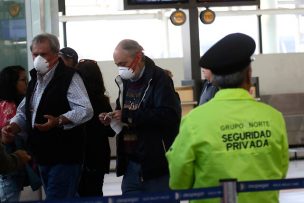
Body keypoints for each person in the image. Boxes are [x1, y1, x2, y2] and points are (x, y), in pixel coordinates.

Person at [166, 33, 289, 203]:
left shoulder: (195, 120)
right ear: (249, 74)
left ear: (214, 79)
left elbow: (179, 181)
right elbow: (281, 170)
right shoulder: (273, 117)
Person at [1, 33, 93, 200]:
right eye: (35, 54)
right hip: (42, 155)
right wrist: (13, 127)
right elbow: (24, 111)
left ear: (56, 54)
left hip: (65, 155)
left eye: (43, 54)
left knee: (57, 197)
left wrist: (59, 120)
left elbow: (85, 109)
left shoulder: (69, 77)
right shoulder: (35, 80)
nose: (38, 58)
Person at [99, 39, 181, 196]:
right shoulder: (125, 82)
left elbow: (169, 115)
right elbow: (121, 110)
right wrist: (112, 117)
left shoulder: (159, 80)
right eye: (117, 64)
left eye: (123, 63)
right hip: (131, 163)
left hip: (156, 163)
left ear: (138, 57)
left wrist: (128, 116)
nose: (121, 68)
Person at [75, 59, 115, 197]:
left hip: (79, 155)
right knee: (95, 192)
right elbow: (111, 131)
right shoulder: (102, 101)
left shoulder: (74, 101)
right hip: (99, 155)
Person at [0, 65, 36, 202]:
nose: (27, 84)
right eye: (22, 80)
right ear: (11, 83)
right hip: (9, 165)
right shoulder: (8, 107)